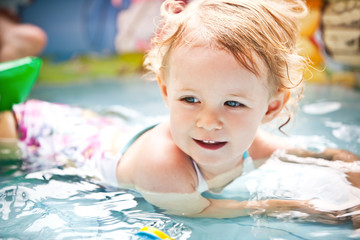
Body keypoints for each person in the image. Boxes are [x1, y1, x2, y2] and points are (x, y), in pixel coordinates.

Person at [0, 0, 359, 227]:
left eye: (233, 104)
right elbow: (199, 210)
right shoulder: (164, 167)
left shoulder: (251, 142)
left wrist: (347, 168)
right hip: (38, 138)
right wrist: (298, 206)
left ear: (271, 107)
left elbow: (316, 156)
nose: (208, 122)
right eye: (189, 100)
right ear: (166, 91)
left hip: (97, 132)